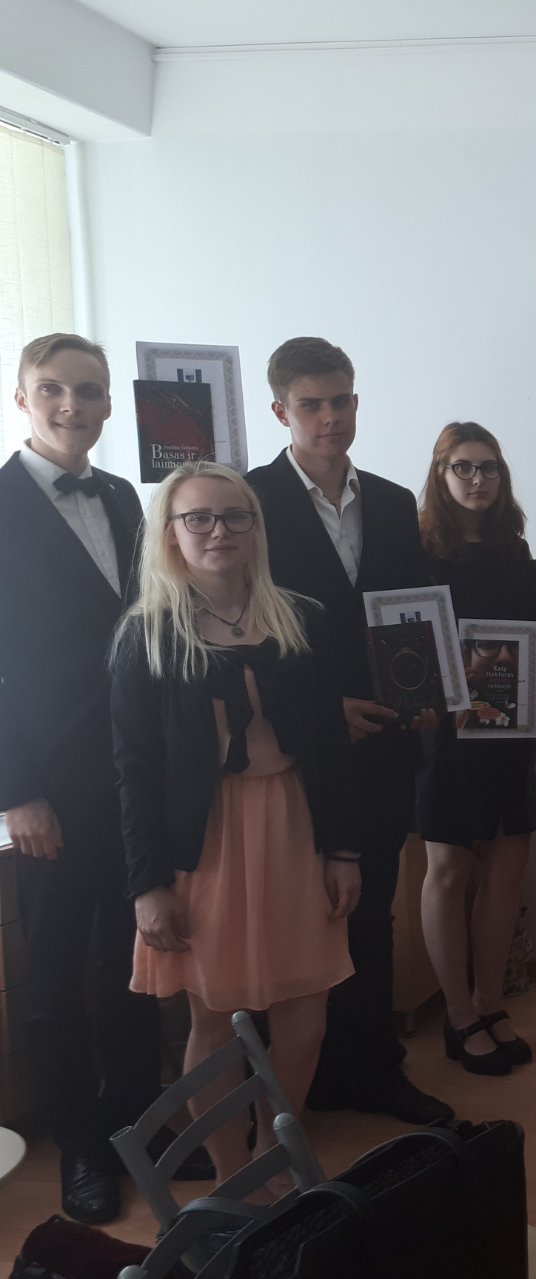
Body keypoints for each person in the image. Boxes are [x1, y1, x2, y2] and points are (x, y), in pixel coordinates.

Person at [112, 462, 358, 1187]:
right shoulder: (146, 636)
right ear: (171, 534)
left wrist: (345, 850)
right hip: (205, 844)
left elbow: (332, 750)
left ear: (256, 528)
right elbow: (133, 771)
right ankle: (230, 1179)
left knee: (306, 1019)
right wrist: (148, 885)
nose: (218, 530)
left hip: (294, 828)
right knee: (216, 1022)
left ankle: (273, 1161)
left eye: (234, 516)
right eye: (199, 518)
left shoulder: (300, 618)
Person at [0, 333, 192, 1223]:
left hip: (132, 771)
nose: (71, 406)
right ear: (22, 398)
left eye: (88, 391)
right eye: (53, 389)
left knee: (131, 959)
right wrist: (15, 790)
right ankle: (80, 1144)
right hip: (48, 787)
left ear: (111, 403)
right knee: (52, 981)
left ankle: (134, 1127)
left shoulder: (122, 497)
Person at [246, 337, 451, 1124]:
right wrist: (320, 710)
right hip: (289, 753)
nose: (329, 417)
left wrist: (428, 694)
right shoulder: (247, 502)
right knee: (291, 917)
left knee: (370, 912)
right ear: (281, 411)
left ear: (357, 403)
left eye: (340, 401)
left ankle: (372, 1069)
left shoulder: (395, 503)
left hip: (383, 747)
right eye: (312, 404)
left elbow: (412, 618)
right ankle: (287, 1087)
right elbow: (238, 637)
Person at [415, 423, 536, 1076]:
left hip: (511, 732)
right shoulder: (416, 552)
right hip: (444, 736)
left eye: (489, 467)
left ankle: (492, 1002)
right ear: (441, 475)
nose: (477, 479)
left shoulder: (517, 553)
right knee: (449, 869)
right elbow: (401, 639)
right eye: (463, 467)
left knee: (507, 868)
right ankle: (459, 1013)